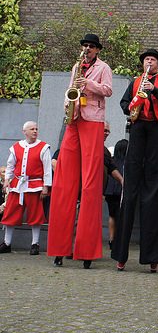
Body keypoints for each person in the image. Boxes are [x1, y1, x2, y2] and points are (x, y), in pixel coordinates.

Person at [48, 34, 112, 269]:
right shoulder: (77, 66)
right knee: (64, 183)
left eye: (91, 46)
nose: (87, 49)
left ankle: (86, 251)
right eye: (85, 45)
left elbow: (107, 91)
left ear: (97, 50)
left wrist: (88, 84)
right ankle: (58, 248)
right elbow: (69, 91)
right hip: (73, 120)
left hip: (93, 121)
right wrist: (69, 102)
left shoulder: (104, 67)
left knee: (89, 184)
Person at [112, 49, 158, 273]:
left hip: (156, 130)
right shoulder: (135, 81)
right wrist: (130, 109)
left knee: (152, 193)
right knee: (129, 193)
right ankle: (120, 255)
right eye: (146, 60)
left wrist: (154, 90)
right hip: (137, 129)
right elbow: (124, 102)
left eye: (153, 60)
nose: (149, 62)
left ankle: (151, 257)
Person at [0, 122, 52, 255]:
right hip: (17, 186)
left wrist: (45, 186)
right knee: (10, 213)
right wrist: (6, 180)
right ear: (25, 131)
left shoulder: (43, 147)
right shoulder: (16, 147)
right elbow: (10, 165)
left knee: (35, 215)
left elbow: (47, 169)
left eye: (36, 129)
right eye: (32, 129)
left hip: (34, 186)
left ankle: (35, 244)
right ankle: (7, 243)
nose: (35, 131)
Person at [103, 125, 125, 250]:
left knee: (112, 215)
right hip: (120, 191)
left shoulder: (111, 158)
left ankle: (111, 239)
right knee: (121, 215)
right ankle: (119, 240)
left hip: (109, 191)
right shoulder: (126, 163)